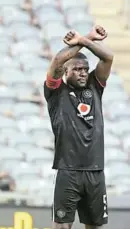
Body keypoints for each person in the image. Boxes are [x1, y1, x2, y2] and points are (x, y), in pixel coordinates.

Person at [45, 26, 112, 229]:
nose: (83, 73)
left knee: (95, 226)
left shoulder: (95, 86)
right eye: (77, 69)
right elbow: (57, 61)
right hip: (68, 170)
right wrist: (84, 40)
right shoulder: (56, 92)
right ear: (66, 72)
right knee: (63, 226)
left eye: (85, 69)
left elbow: (108, 58)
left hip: (95, 171)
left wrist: (85, 39)